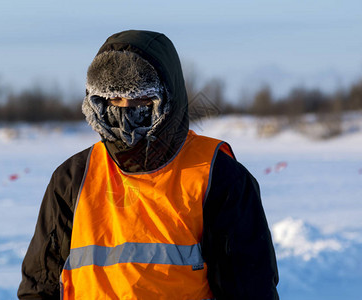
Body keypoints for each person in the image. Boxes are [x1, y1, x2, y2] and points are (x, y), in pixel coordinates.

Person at [18, 30, 279, 299]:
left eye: (141, 99)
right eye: (114, 99)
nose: (125, 111)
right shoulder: (73, 178)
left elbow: (250, 287)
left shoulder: (217, 175)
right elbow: (40, 285)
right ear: (96, 101)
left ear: (167, 98)